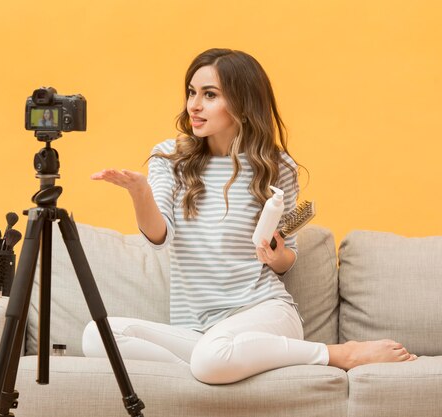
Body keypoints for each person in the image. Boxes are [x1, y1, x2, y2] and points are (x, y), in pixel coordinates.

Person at [83, 48, 417, 384]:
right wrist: (139, 192)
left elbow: (287, 259)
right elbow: (159, 238)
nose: (194, 105)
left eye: (209, 95)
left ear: (241, 104)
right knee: (96, 335)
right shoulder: (169, 157)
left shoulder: (274, 165)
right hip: (195, 330)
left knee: (211, 357)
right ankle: (216, 360)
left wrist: (276, 254)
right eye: (191, 92)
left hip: (262, 312)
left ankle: (338, 354)